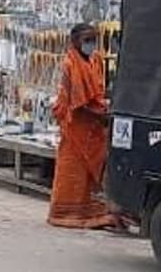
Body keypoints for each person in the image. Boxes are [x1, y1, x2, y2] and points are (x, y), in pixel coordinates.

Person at [48, 23, 118, 230]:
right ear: (75, 41)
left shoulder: (96, 60)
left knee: (94, 170)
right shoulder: (70, 64)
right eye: (87, 40)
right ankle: (65, 212)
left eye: (93, 39)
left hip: (95, 126)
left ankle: (94, 210)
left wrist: (104, 109)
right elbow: (76, 104)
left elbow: (98, 91)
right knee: (72, 169)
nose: (91, 44)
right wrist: (99, 115)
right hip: (77, 125)